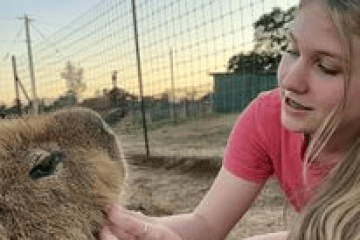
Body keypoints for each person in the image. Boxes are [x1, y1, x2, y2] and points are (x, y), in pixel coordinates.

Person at [101, 0, 360, 239]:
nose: (290, 80)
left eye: (326, 67)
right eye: (292, 50)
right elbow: (206, 223)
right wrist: (136, 228)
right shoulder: (268, 116)